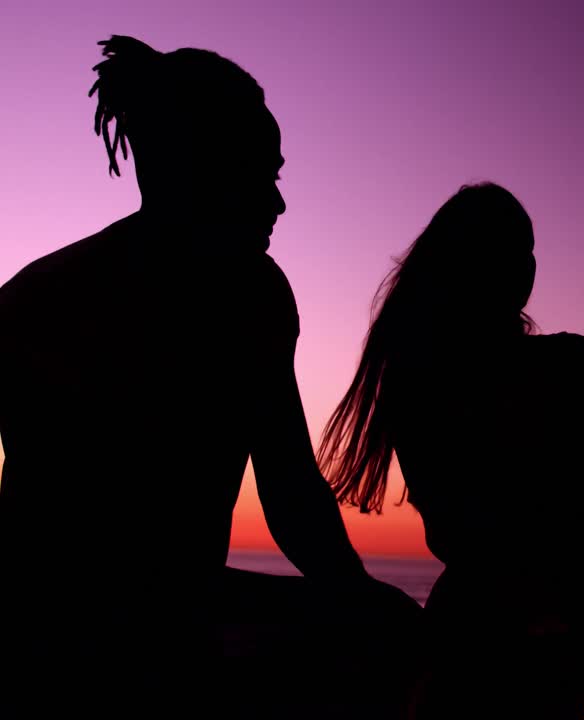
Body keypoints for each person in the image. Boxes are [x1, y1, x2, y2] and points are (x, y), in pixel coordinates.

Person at [0, 36, 414, 713]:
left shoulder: (32, 296)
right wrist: (360, 601)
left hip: (92, 631)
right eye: (261, 173)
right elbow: (288, 493)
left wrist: (355, 599)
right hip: (89, 645)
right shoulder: (245, 294)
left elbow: (289, 495)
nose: (277, 203)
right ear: (196, 168)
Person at [318, 182, 584, 719]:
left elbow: (455, 530)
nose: (531, 267)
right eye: (519, 250)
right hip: (545, 641)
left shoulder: (412, 377)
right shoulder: (566, 364)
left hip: (467, 636)